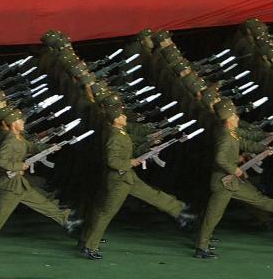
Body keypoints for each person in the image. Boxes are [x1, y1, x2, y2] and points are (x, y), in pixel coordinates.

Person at [80, 105, 195, 260]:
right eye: (122, 116)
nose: (125, 117)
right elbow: (112, 160)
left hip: (127, 177)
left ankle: (179, 210)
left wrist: (148, 146)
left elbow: (131, 149)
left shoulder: (119, 132)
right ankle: (89, 246)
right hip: (119, 180)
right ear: (116, 119)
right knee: (106, 213)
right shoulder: (115, 136)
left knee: (151, 193)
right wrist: (130, 162)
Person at [0, 109, 80, 261]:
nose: (23, 122)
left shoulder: (18, 138)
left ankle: (66, 220)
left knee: (42, 202)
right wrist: (18, 166)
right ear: (13, 124)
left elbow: (31, 147)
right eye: (20, 121)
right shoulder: (10, 140)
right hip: (10, 187)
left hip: (19, 185)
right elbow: (0, 161)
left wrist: (49, 147)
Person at [194, 101, 273, 258]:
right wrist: (234, 169)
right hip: (223, 182)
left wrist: (264, 149)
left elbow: (245, 143)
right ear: (228, 119)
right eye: (234, 115)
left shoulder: (230, 131)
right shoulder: (225, 135)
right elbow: (220, 158)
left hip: (229, 181)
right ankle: (201, 248)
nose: (237, 117)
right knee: (213, 215)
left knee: (254, 196)